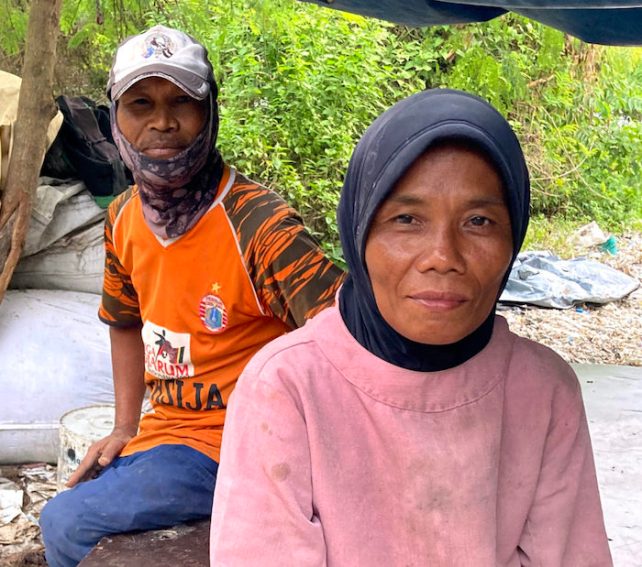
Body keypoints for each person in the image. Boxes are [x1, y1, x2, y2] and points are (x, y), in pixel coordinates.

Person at [209, 88, 612, 566]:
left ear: (514, 237)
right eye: (407, 219)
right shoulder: (286, 386)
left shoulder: (543, 390)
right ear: (360, 230)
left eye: (478, 221)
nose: (443, 257)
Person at [39, 24, 343, 567]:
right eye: (141, 103)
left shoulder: (259, 224)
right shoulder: (123, 218)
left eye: (183, 101)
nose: (163, 121)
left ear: (210, 112)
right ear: (115, 119)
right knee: (79, 492)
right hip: (167, 437)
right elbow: (124, 320)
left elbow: (349, 338)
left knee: (65, 523)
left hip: (243, 446)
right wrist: (125, 427)